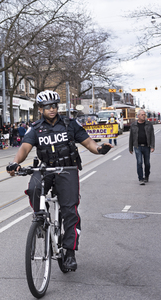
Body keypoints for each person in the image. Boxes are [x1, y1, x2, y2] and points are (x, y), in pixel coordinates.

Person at [6, 90, 113, 271]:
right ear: (41, 109)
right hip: (46, 168)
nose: (52, 109)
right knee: (33, 188)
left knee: (70, 210)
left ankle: (70, 252)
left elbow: (88, 143)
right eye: (48, 107)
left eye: (54, 106)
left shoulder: (70, 124)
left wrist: (100, 149)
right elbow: (24, 148)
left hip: (68, 170)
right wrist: (15, 163)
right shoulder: (36, 128)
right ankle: (41, 219)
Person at [129, 109, 155, 185]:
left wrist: (152, 146)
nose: (144, 116)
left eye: (144, 115)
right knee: (139, 162)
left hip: (147, 146)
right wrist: (130, 148)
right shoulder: (133, 125)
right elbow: (131, 137)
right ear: (138, 116)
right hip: (137, 146)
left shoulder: (149, 124)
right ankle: (141, 178)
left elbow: (152, 136)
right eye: (142, 115)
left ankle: (146, 176)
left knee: (147, 163)